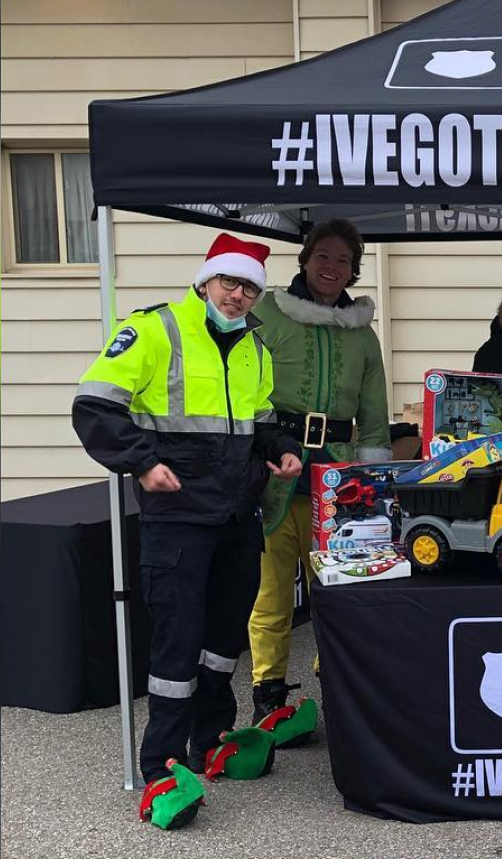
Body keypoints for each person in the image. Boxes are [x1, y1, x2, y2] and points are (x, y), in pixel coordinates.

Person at [72, 233, 302, 828]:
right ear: (207, 281)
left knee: (224, 639)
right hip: (177, 519)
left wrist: (280, 449)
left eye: (250, 286)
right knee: (176, 643)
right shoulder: (156, 329)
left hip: (236, 517)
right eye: (230, 282)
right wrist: (143, 462)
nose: (239, 295)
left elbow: (260, 420)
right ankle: (162, 765)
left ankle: (211, 738)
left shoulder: (255, 344)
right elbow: (94, 407)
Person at [248, 219, 391, 726]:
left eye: (344, 261)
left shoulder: (363, 335)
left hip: (338, 473)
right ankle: (269, 690)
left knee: (336, 584)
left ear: (353, 270)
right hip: (275, 467)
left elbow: (374, 409)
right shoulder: (266, 313)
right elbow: (244, 389)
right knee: (272, 588)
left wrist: (373, 475)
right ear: (306, 259)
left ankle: (332, 677)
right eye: (324, 256)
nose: (332, 268)